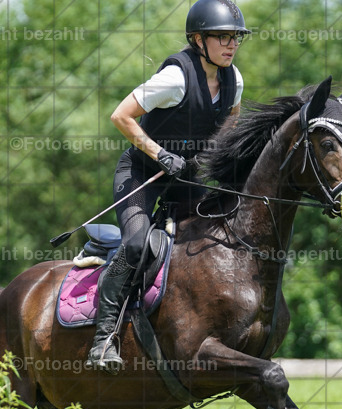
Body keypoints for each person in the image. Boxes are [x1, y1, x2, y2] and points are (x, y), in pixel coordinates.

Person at [87, 0, 250, 374]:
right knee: (135, 243)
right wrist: (160, 154)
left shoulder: (234, 80)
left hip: (187, 177)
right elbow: (120, 115)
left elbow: (231, 123)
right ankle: (104, 336)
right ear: (197, 39)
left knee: (213, 239)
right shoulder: (175, 78)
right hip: (143, 172)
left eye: (236, 38)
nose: (231, 45)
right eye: (222, 37)